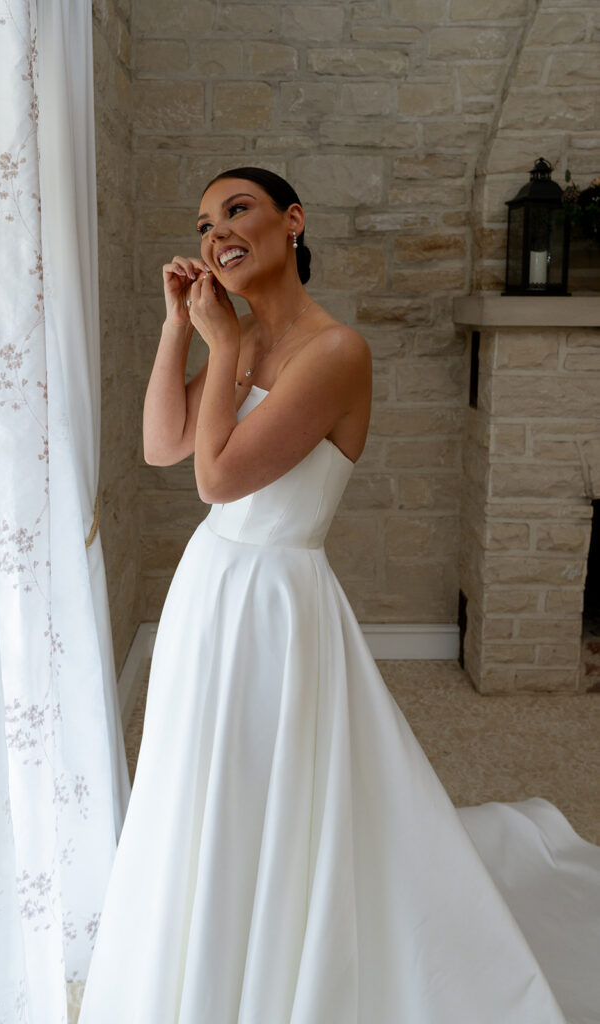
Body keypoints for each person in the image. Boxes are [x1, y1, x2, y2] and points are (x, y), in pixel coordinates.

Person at [79, 169, 598, 1023]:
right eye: (205, 223)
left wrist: (220, 344)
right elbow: (159, 446)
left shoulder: (335, 352)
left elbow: (214, 477)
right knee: (201, 774)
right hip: (210, 588)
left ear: (293, 222)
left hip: (275, 601)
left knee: (270, 784)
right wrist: (183, 330)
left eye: (236, 211)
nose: (216, 235)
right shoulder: (235, 336)